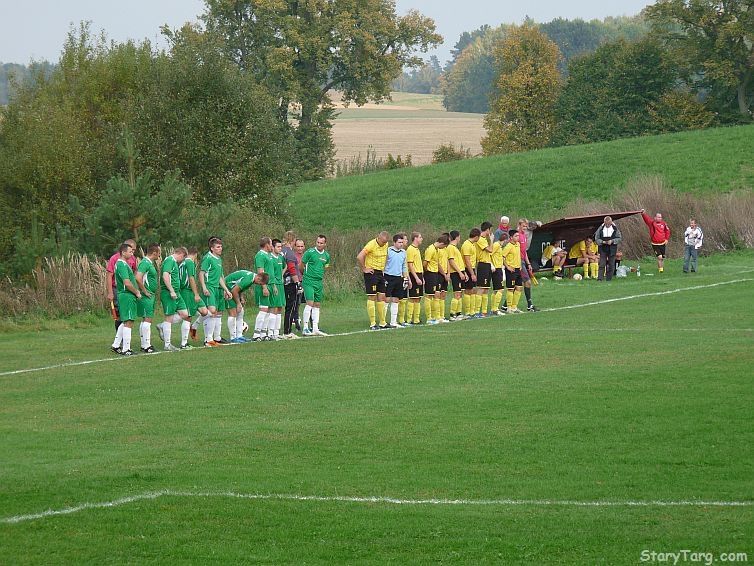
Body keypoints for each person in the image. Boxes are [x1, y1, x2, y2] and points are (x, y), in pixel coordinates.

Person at [199, 237, 232, 346]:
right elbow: (201, 273)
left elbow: (219, 278)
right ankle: (207, 339)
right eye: (218, 247)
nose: (220, 248)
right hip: (209, 287)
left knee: (217, 312)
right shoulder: (207, 258)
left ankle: (215, 338)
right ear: (212, 248)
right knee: (212, 311)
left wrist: (226, 290)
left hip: (217, 287)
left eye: (221, 246)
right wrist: (204, 287)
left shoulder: (218, 259)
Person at [157, 247, 192, 351]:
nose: (182, 260)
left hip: (177, 293)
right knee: (169, 317)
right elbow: (165, 275)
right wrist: (171, 290)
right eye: (183, 258)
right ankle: (167, 345)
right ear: (181, 254)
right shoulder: (169, 260)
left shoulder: (174, 262)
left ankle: (162, 326)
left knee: (185, 314)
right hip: (169, 293)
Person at [110, 242, 141, 356]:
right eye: (130, 251)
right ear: (123, 252)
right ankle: (126, 349)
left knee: (126, 320)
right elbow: (127, 283)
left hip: (126, 295)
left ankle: (116, 344)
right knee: (129, 321)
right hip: (126, 295)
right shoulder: (122, 264)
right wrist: (137, 292)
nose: (132, 253)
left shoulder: (123, 263)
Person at [357, 231, 390, 330]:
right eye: (383, 242)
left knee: (382, 297)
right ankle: (372, 323)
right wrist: (364, 268)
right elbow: (359, 256)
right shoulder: (371, 244)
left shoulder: (386, 244)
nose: (384, 244)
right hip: (371, 273)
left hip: (380, 273)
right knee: (372, 297)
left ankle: (382, 322)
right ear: (378, 238)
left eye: (385, 242)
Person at [225, 270, 270, 343]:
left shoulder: (252, 278)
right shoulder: (249, 279)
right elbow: (234, 290)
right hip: (227, 289)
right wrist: (238, 303)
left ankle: (239, 336)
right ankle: (233, 337)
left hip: (232, 289)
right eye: (260, 283)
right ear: (258, 278)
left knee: (240, 312)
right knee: (233, 313)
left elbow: (239, 287)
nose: (258, 284)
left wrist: (241, 297)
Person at [300, 234, 332, 336]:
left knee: (317, 304)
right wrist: (305, 275)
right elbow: (301, 265)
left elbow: (325, 267)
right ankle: (305, 328)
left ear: (325, 244)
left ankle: (315, 328)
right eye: (317, 242)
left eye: (321, 243)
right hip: (308, 281)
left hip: (319, 282)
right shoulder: (310, 252)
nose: (319, 244)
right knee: (309, 302)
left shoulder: (326, 256)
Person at [106, 238, 137, 332]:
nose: (133, 252)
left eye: (134, 250)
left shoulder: (133, 259)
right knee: (119, 313)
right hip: (117, 288)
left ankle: (124, 336)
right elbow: (109, 275)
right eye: (132, 250)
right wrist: (110, 292)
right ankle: (119, 339)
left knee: (128, 314)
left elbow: (134, 271)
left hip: (129, 289)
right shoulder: (115, 259)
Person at [135, 243, 161, 354]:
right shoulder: (145, 263)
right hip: (147, 295)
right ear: (154, 253)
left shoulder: (150, 263)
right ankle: (146, 345)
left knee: (146, 318)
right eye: (159, 253)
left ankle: (144, 344)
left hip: (150, 294)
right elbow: (138, 277)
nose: (160, 255)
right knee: (148, 318)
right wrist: (145, 291)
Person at [183, 247, 212, 344]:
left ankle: (194, 326)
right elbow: (191, 279)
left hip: (191, 292)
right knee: (187, 316)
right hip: (188, 292)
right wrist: (196, 294)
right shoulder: (189, 262)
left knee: (205, 312)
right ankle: (184, 342)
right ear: (195, 254)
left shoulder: (184, 262)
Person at [383, 233, 408, 329]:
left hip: (398, 278)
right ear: (394, 242)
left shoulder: (403, 252)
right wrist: (383, 276)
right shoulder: (388, 251)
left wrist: (405, 278)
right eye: (399, 242)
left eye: (402, 242)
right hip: (388, 277)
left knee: (396, 299)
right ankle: (383, 321)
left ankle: (393, 322)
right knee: (387, 299)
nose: (401, 244)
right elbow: (384, 264)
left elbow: (404, 266)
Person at [423, 234, 449, 325]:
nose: (444, 248)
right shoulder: (430, 249)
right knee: (429, 295)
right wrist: (428, 272)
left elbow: (436, 263)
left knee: (434, 295)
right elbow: (425, 263)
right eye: (444, 246)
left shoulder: (436, 249)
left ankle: (435, 317)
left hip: (435, 273)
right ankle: (429, 318)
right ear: (442, 243)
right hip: (430, 273)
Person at [252, 237, 275, 341]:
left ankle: (263, 333)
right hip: (263, 285)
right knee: (263, 309)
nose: (272, 246)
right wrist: (264, 287)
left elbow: (271, 271)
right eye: (271, 244)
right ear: (267, 245)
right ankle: (256, 334)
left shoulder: (269, 255)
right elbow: (260, 272)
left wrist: (273, 285)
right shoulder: (260, 255)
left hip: (270, 285)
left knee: (268, 309)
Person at [282, 232, 302, 338]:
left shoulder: (280, 251)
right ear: (292, 240)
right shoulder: (289, 252)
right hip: (289, 283)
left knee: (284, 307)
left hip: (282, 282)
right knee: (291, 307)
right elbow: (292, 269)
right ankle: (287, 331)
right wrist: (297, 283)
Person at [517, 218, 540, 311]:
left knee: (517, 284)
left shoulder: (524, 236)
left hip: (522, 261)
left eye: (526, 226)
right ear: (519, 226)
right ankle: (529, 305)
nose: (525, 228)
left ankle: (506, 305)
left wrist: (528, 263)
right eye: (523, 226)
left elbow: (524, 251)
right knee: (527, 282)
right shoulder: (517, 236)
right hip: (517, 262)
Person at [266, 239, 287, 340]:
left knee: (279, 307)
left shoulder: (280, 258)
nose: (280, 249)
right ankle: (270, 332)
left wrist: (281, 276)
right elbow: (269, 273)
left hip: (280, 284)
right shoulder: (270, 258)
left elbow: (285, 266)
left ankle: (276, 331)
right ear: (273, 247)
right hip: (273, 284)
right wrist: (273, 284)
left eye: (280, 247)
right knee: (273, 307)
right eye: (278, 247)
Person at [474, 221, 495, 318]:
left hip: (487, 265)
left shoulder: (484, 239)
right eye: (490, 230)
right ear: (487, 229)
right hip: (482, 265)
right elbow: (490, 250)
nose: (491, 232)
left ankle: (484, 311)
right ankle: (477, 311)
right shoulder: (481, 240)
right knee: (481, 288)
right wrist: (491, 240)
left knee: (486, 289)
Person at [446, 230, 468, 321]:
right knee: (457, 293)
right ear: (457, 237)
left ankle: (458, 313)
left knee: (460, 293)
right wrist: (459, 272)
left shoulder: (455, 247)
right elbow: (451, 261)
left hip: (460, 272)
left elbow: (459, 262)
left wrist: (464, 272)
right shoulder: (450, 247)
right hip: (455, 273)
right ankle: (452, 314)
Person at [641, 209, 671, 273]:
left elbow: (667, 231)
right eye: (658, 217)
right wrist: (643, 214)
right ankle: (660, 270)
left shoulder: (664, 224)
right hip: (655, 244)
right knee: (659, 257)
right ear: (655, 217)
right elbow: (647, 219)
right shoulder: (652, 223)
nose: (660, 218)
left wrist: (666, 239)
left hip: (662, 243)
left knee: (662, 258)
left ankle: (661, 269)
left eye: (660, 217)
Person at [501, 230, 524, 313]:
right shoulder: (508, 246)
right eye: (516, 236)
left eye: (518, 236)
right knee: (510, 289)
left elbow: (518, 256)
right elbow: (502, 257)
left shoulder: (518, 244)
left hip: (518, 269)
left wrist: (520, 265)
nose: (518, 237)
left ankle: (514, 307)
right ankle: (509, 308)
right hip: (511, 270)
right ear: (511, 237)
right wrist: (508, 267)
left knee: (519, 288)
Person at [594, 216, 622, 281]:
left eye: (609, 224)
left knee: (611, 264)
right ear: (604, 222)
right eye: (606, 224)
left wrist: (612, 241)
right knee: (602, 264)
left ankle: (609, 279)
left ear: (611, 222)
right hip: (602, 248)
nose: (607, 225)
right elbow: (596, 238)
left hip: (612, 248)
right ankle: (600, 279)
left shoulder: (615, 229)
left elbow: (619, 238)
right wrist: (602, 242)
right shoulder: (600, 229)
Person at [405, 232, 424, 325]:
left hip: (419, 274)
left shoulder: (417, 249)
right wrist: (416, 278)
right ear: (415, 238)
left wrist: (422, 277)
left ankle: (416, 318)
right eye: (420, 237)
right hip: (414, 275)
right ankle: (409, 319)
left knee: (418, 298)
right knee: (413, 297)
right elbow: (410, 265)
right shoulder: (410, 249)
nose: (422, 239)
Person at [461, 228, 480, 317]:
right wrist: (471, 273)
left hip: (472, 268)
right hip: (467, 269)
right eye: (478, 237)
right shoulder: (466, 245)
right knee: (468, 290)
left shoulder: (472, 244)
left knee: (473, 290)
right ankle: (468, 312)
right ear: (476, 237)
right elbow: (467, 260)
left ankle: (472, 311)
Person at [490, 233, 506, 315]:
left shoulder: (499, 246)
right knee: (500, 289)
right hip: (496, 269)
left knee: (496, 290)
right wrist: (492, 265)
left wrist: (502, 265)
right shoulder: (496, 245)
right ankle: (495, 309)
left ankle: (494, 308)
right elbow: (489, 254)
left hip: (499, 268)